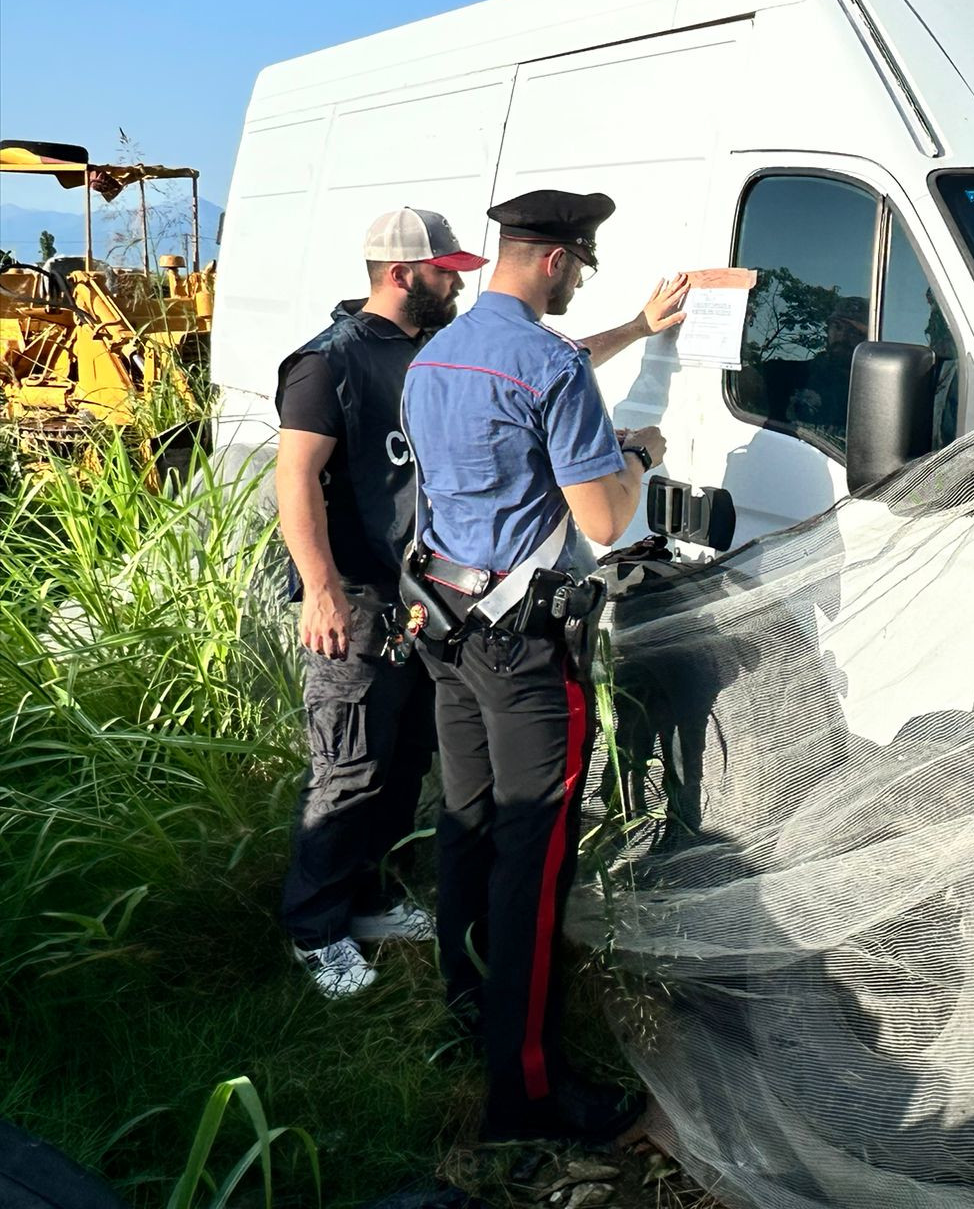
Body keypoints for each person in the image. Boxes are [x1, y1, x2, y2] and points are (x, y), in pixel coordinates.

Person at [401, 189, 681, 1145]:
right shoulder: (552, 368)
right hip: (522, 645)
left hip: (441, 622)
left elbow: (535, 379)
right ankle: (523, 1097)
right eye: (581, 270)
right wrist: (636, 454)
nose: (576, 287)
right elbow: (603, 521)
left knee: (467, 822)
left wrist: (638, 328)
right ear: (558, 261)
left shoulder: (434, 352)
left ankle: (467, 1005)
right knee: (535, 858)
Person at [275, 207, 487, 998]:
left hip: (415, 599)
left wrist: (639, 326)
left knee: (403, 761)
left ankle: (368, 902)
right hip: (357, 600)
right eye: (446, 270)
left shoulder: (428, 350)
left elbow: (543, 359)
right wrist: (322, 589)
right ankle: (314, 929)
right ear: (403, 275)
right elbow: (294, 478)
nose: (457, 282)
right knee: (347, 768)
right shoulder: (328, 364)